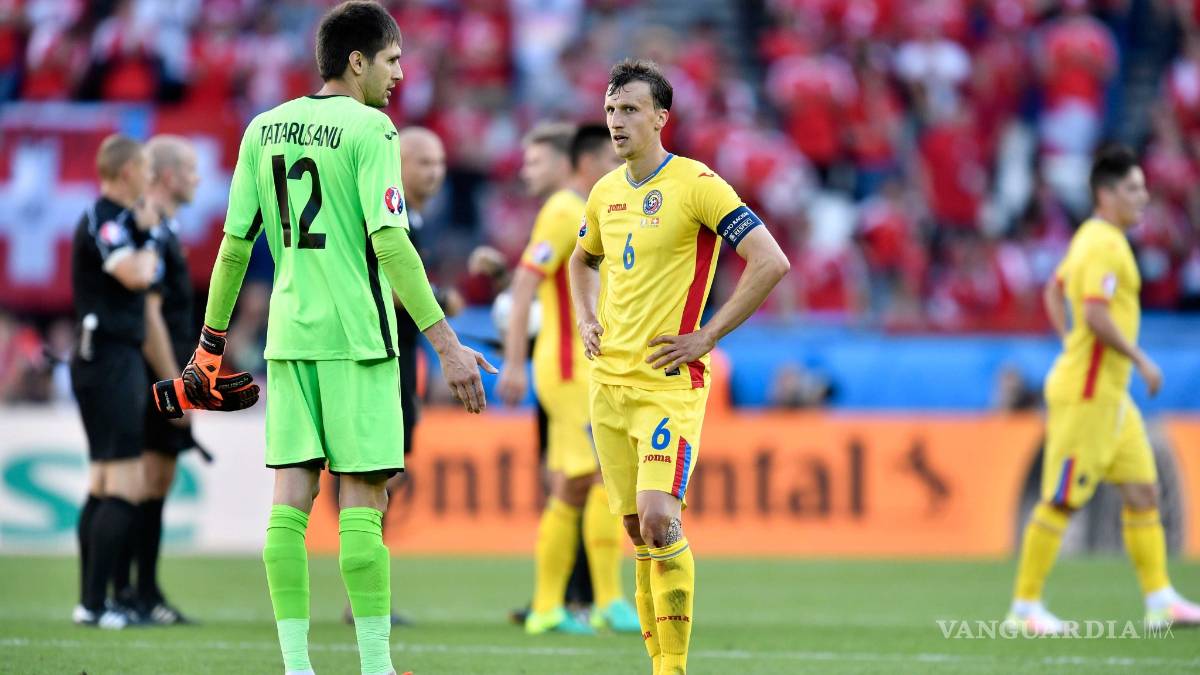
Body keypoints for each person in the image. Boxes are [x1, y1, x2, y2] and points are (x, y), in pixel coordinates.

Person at [151, 3, 494, 674]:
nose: (400, 74)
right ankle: (376, 666)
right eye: (392, 60)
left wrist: (209, 347)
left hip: (288, 338)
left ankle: (296, 667)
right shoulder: (372, 129)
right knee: (364, 498)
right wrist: (447, 343)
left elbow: (233, 249)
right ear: (357, 61)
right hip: (358, 339)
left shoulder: (263, 128)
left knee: (289, 502)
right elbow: (390, 243)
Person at [568, 59, 789, 675]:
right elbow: (581, 261)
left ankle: (674, 669)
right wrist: (586, 318)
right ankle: (658, 665)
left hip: (668, 384)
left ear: (661, 117)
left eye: (630, 109)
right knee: (637, 529)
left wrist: (707, 336)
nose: (617, 121)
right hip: (608, 385)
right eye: (610, 109)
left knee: (661, 519)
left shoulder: (698, 184)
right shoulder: (604, 192)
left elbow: (770, 261)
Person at [1005, 146, 1200, 634]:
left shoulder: (1089, 238)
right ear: (1106, 194)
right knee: (1063, 499)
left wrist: (1068, 342)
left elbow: (1054, 289)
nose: (1143, 197)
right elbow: (1094, 312)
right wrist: (1140, 359)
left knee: (1143, 491)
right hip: (1089, 395)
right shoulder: (1105, 246)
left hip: (1112, 396)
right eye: (1133, 188)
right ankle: (1024, 609)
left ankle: (1160, 601)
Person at [497, 122, 638, 636]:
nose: (619, 168)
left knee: (573, 484)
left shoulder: (598, 210)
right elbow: (524, 283)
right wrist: (515, 362)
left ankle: (552, 606)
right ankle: (603, 600)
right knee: (598, 476)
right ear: (586, 163)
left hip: (587, 368)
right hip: (567, 369)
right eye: (611, 159)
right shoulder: (564, 211)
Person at [335, 125, 462, 627]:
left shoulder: (418, 220)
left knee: (383, 475)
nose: (436, 172)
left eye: (440, 162)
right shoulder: (385, 215)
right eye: (424, 162)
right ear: (398, 164)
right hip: (374, 359)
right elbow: (381, 290)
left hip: (402, 361)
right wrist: (438, 302)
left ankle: (363, 595)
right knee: (371, 475)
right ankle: (361, 598)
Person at [69, 134, 161, 629]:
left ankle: (92, 601)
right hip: (108, 359)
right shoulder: (105, 219)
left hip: (109, 359)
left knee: (104, 482)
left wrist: (143, 239)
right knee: (125, 482)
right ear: (127, 171)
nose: (149, 177)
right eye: (145, 168)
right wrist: (147, 240)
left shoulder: (118, 220)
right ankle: (96, 604)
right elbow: (136, 275)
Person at [112, 134, 202, 625]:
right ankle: (127, 592)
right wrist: (174, 386)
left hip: (164, 373)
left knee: (158, 480)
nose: (198, 179)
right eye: (190, 169)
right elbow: (150, 316)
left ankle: (143, 590)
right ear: (168, 176)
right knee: (144, 481)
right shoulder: (149, 230)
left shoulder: (165, 228)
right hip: (153, 378)